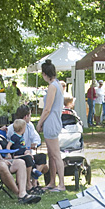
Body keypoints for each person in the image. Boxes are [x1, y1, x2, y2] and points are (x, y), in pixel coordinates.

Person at [36, 59, 65, 192]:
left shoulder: (52, 87)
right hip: (53, 120)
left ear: (44, 74)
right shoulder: (57, 85)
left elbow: (47, 109)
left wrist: (39, 122)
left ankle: (61, 184)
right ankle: (52, 181)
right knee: (51, 154)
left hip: (51, 121)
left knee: (55, 154)